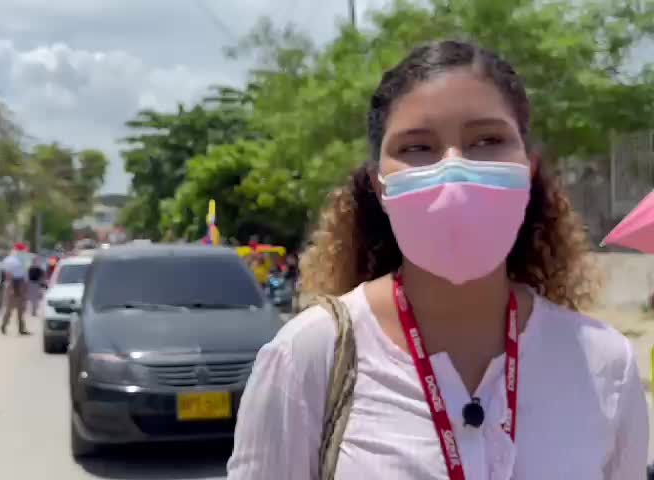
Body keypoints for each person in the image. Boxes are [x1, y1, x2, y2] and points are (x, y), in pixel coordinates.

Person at [227, 40, 647, 479]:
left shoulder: (605, 366)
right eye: (416, 147)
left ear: (529, 169)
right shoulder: (308, 358)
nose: (455, 170)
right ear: (379, 185)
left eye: (487, 140)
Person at [1, 244, 30, 335]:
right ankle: (3, 325)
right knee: (9, 308)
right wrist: (12, 288)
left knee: (20, 308)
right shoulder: (10, 260)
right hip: (13, 283)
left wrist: (25, 287)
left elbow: (25, 275)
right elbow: (8, 274)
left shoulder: (23, 260)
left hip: (20, 283)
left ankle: (21, 328)